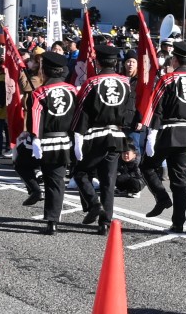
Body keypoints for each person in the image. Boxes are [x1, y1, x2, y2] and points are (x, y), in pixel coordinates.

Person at [142, 47, 186, 234]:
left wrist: (151, 133)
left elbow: (157, 107)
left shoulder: (167, 79)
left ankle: (162, 198)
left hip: (168, 132)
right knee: (179, 180)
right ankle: (178, 222)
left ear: (176, 61)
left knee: (146, 166)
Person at [73, 45, 137, 229]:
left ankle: (94, 204)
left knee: (81, 172)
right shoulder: (125, 83)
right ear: (116, 62)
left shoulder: (92, 83)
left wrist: (78, 134)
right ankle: (105, 222)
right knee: (108, 180)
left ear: (99, 62)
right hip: (116, 135)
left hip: (95, 135)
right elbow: (127, 110)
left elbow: (82, 111)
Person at [23, 53, 80, 234]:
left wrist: (36, 139)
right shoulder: (73, 90)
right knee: (56, 182)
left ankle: (34, 189)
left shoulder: (39, 92)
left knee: (20, 162)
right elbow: (79, 116)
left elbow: (36, 118)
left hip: (44, 140)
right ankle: (52, 221)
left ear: (44, 70)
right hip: (65, 142)